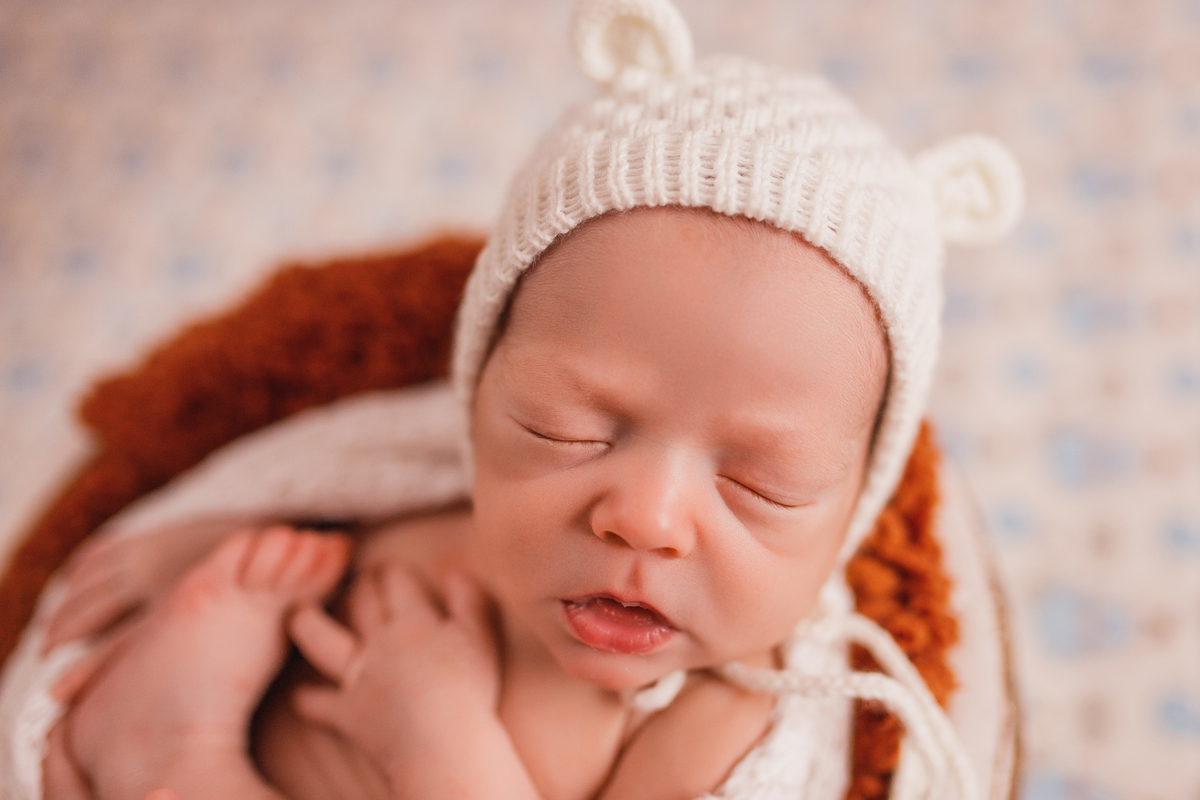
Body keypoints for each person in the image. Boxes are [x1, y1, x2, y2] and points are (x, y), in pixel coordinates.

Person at [36, 1, 1023, 798]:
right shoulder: (437, 495)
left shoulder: (720, 719)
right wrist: (217, 543)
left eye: (759, 483)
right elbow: (323, 483)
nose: (643, 515)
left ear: (852, 515)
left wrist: (436, 741)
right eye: (570, 428)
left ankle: (171, 761)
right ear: (476, 398)